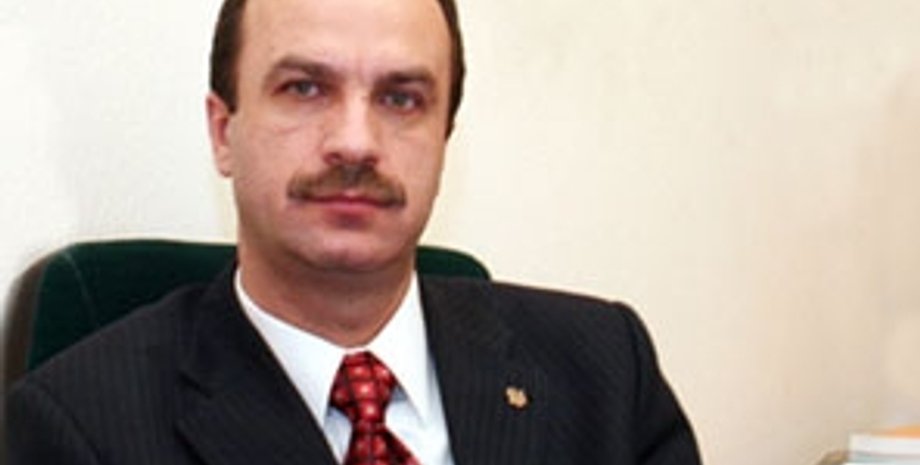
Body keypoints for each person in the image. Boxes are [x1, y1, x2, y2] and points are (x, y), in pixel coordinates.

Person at [6, 0, 702, 463]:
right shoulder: (79, 428)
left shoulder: (606, 368)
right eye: (305, 88)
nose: (355, 142)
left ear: (444, 137)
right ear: (223, 131)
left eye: (401, 98)